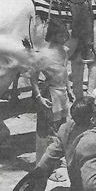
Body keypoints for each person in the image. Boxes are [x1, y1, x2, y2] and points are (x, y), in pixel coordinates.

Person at [30, 21, 71, 172]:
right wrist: (39, 97)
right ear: (53, 36)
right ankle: (41, 166)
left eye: (65, 34)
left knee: (61, 129)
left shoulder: (64, 51)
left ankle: (54, 161)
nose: (64, 38)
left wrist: (69, 89)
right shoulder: (41, 55)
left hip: (62, 94)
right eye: (61, 35)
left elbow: (64, 70)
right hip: (49, 95)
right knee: (45, 132)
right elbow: (33, 78)